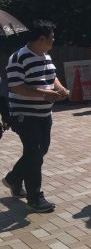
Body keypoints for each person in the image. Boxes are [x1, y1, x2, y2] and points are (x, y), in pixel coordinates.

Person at [3, 20, 69, 213]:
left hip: (44, 113)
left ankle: (14, 179)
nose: (53, 41)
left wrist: (60, 89)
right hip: (24, 114)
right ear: (41, 39)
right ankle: (35, 197)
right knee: (34, 153)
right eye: (52, 38)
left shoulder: (45, 55)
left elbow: (52, 76)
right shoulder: (18, 58)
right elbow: (15, 87)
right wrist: (44, 94)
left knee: (40, 150)